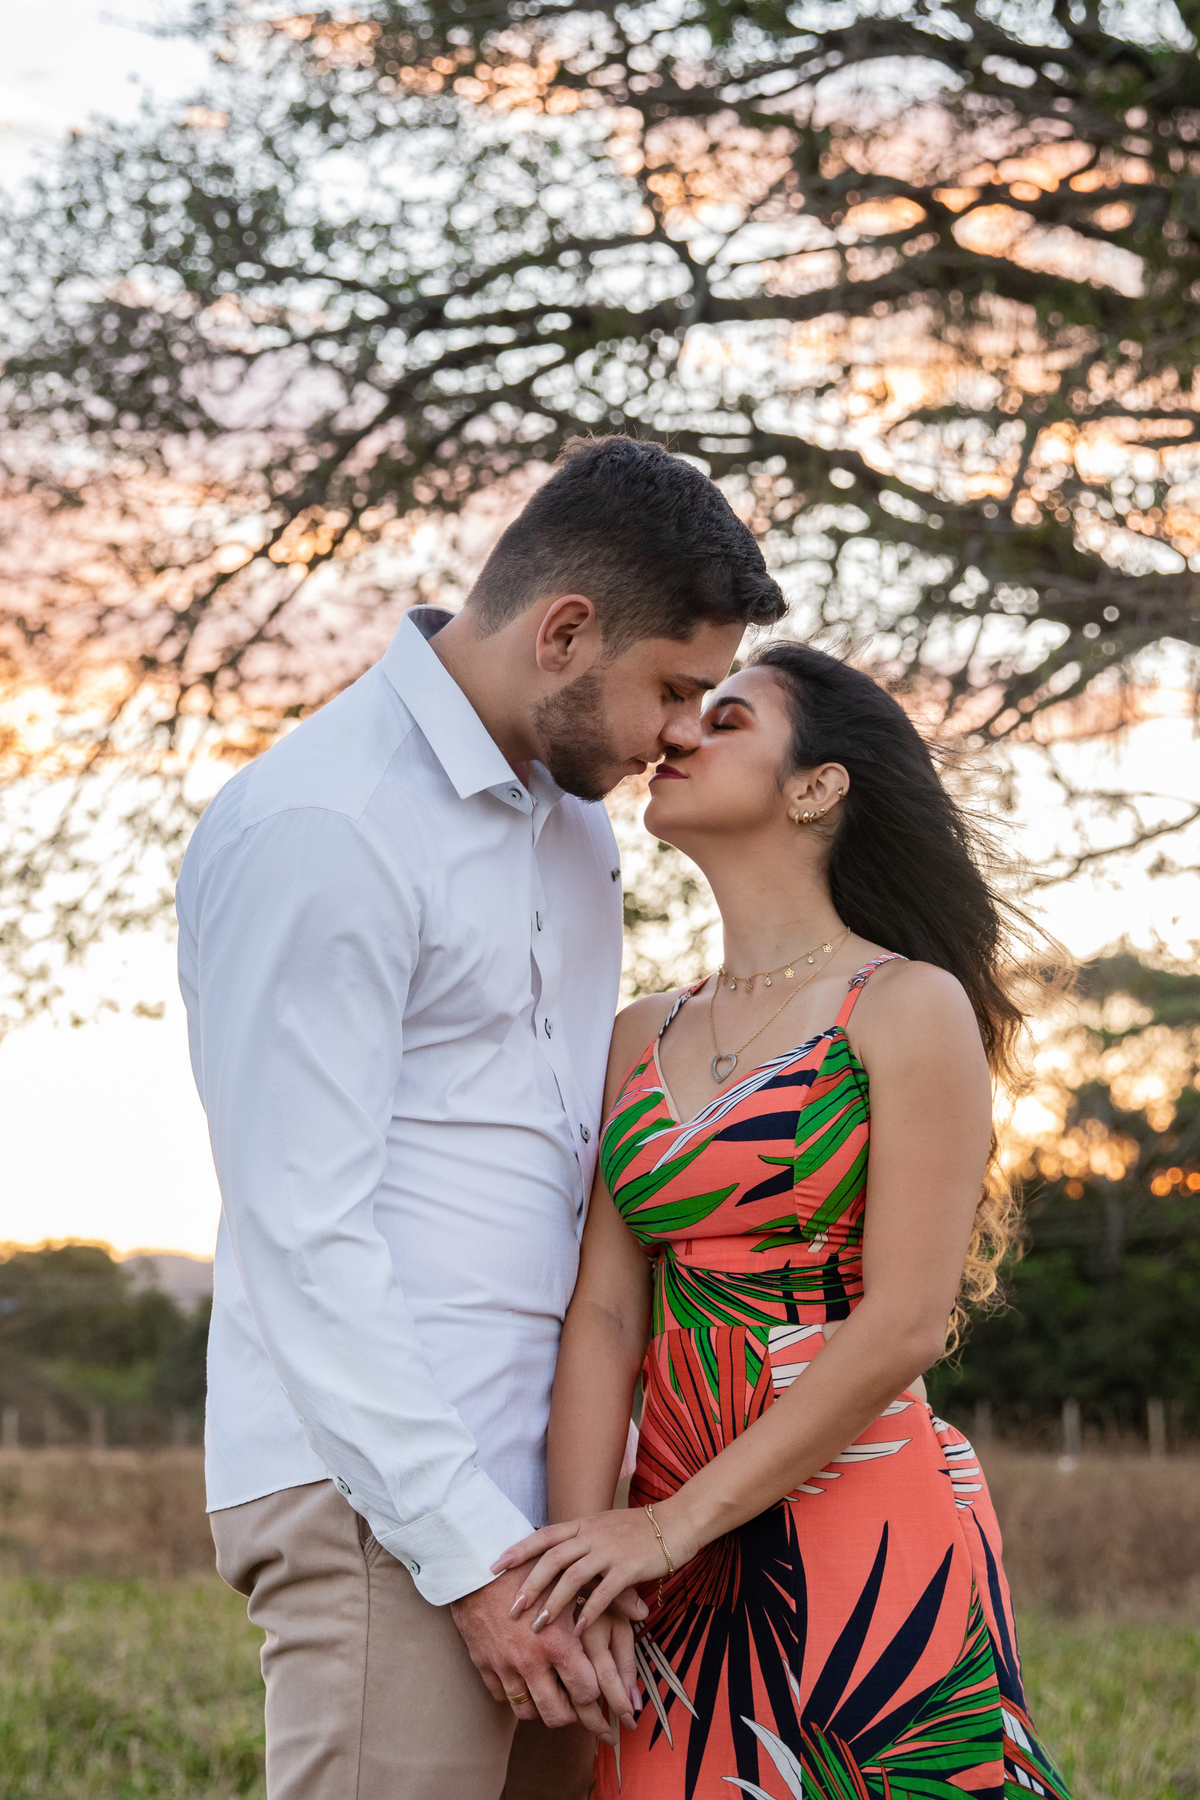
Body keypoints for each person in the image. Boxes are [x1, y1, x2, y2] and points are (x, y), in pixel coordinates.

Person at [174, 433, 786, 1800]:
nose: (686, 731)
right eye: (675, 689)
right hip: (383, 1504)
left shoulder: (577, 834)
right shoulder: (326, 827)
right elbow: (302, 1235)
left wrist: (596, 1511)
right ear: (566, 631)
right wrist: (465, 1559)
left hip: (558, 1506)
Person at [496, 643, 1072, 1799]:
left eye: (728, 717)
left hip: (853, 1504)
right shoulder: (637, 1031)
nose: (677, 735)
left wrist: (670, 1531)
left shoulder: (904, 1005)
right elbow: (607, 1312)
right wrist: (585, 1558)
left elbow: (907, 1322)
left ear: (817, 786)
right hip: (665, 1508)